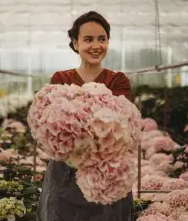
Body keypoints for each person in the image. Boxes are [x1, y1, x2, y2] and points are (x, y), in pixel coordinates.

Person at [37, 11, 133, 221]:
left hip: (106, 170)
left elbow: (122, 125)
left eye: (102, 39)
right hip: (65, 170)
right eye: (88, 39)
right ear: (75, 43)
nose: (96, 46)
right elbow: (49, 128)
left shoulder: (118, 80)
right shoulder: (61, 78)